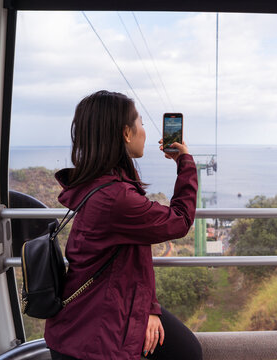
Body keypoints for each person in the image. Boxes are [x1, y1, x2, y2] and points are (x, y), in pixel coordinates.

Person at [44, 90, 202, 360]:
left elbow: (132, 256)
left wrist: (150, 308)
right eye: (139, 123)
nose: (144, 131)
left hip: (92, 315)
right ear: (126, 133)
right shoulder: (116, 198)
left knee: (186, 350)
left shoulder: (101, 183)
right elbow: (180, 221)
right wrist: (185, 163)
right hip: (93, 335)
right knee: (186, 353)